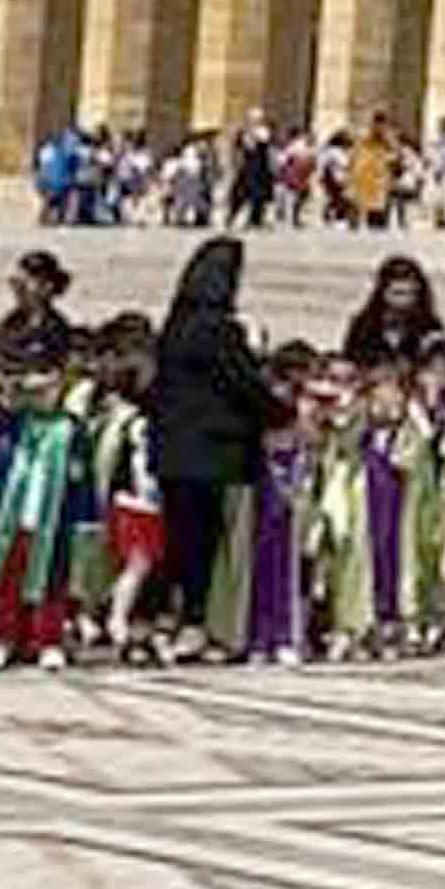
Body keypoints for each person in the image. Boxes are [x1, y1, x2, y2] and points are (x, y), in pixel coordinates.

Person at [151, 238, 287, 659]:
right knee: (209, 544)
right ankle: (202, 623)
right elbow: (243, 383)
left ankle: (165, 621)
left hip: (174, 452)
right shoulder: (218, 330)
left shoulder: (175, 326)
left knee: (179, 539)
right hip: (214, 455)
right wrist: (281, 412)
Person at [342, 255, 445, 369]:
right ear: (383, 293)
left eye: (410, 293)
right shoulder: (363, 326)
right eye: (398, 293)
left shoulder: (430, 327)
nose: (403, 301)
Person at [0, 249, 72, 371]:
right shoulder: (14, 320)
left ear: (47, 287)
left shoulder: (54, 327)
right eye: (17, 284)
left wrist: (1, 363)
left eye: (23, 285)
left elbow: (44, 360)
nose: (18, 290)